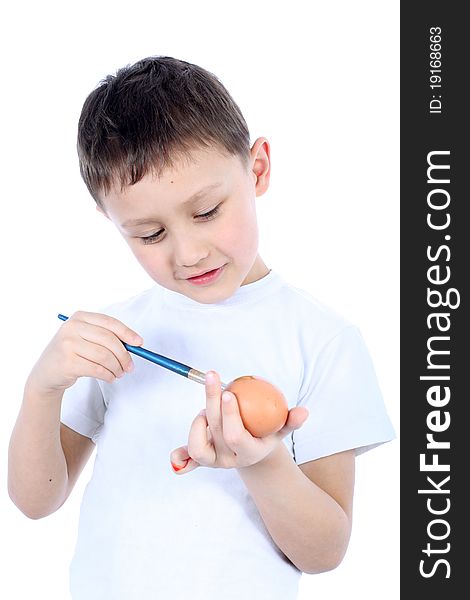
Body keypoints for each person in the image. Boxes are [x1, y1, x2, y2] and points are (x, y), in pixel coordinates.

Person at [8, 56, 395, 600]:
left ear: (256, 169)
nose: (188, 252)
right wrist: (41, 389)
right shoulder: (120, 334)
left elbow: (325, 552)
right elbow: (36, 500)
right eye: (148, 234)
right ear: (111, 222)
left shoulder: (324, 340)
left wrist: (260, 463)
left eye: (208, 210)